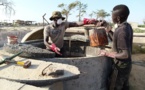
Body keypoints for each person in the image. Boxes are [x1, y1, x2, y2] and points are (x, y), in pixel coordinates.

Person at [99, 4, 133, 90]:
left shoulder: (122, 31)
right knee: (124, 86)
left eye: (112, 16)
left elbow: (125, 55)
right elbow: (116, 38)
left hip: (120, 66)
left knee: (115, 86)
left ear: (118, 18)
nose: (111, 18)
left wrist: (107, 53)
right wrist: (108, 30)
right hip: (125, 65)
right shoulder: (126, 26)